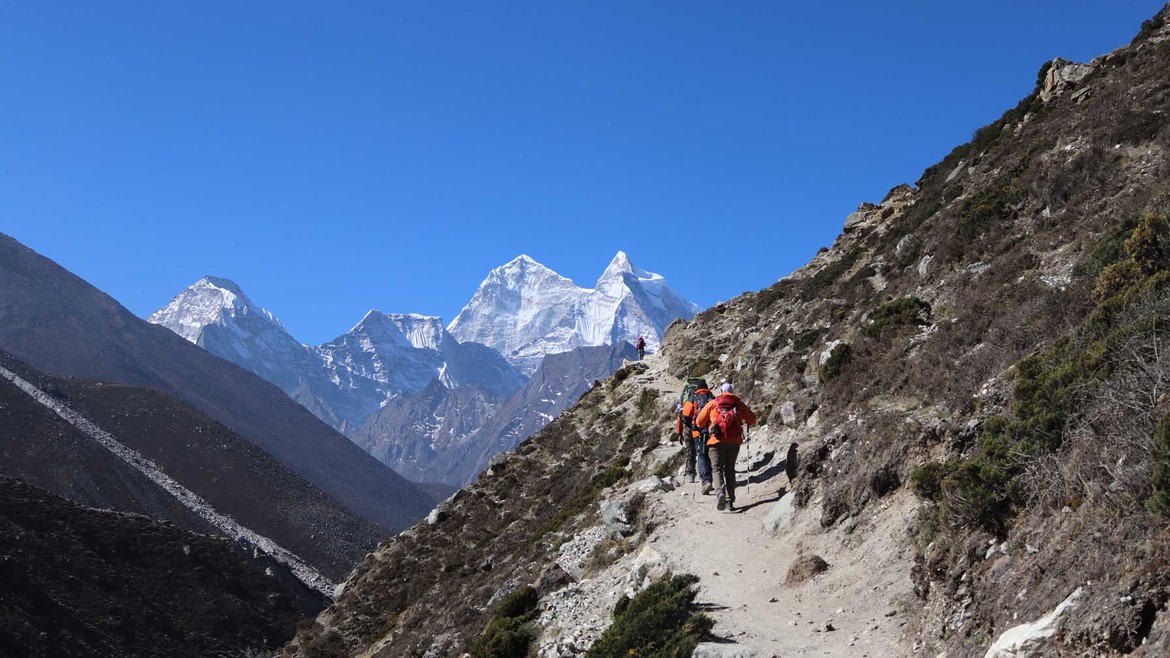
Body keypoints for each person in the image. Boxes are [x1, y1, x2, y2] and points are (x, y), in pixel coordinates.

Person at [696, 382, 757, 512]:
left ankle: (720, 493)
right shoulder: (737, 403)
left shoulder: (713, 403)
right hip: (734, 442)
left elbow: (699, 422)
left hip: (716, 441)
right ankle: (730, 501)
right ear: (732, 391)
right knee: (730, 470)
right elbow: (752, 420)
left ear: (721, 392)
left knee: (717, 469)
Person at [675, 380, 714, 490]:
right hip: (710, 430)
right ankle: (710, 476)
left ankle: (692, 474)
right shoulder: (712, 398)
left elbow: (682, 416)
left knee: (692, 451)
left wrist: (681, 431)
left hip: (694, 430)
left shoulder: (691, 398)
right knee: (708, 452)